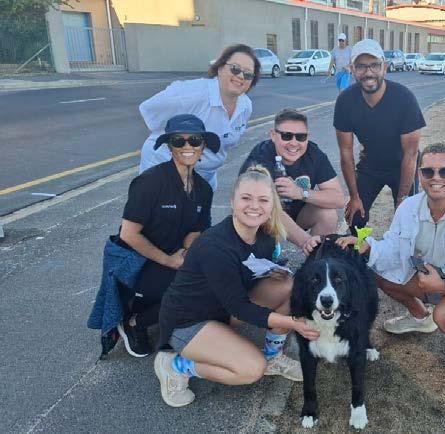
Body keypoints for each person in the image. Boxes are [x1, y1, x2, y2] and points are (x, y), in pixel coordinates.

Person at [154, 166, 321, 408]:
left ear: (272, 206)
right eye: (246, 198)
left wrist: (268, 272)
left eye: (263, 200)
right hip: (188, 321)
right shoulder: (215, 246)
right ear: (232, 201)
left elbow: (246, 275)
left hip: (222, 310)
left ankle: (273, 356)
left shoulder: (265, 236)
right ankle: (177, 366)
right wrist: (294, 323)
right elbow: (240, 308)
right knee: (251, 369)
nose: (254, 206)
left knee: (288, 284)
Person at [337, 143, 445, 379]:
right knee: (373, 271)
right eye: (428, 171)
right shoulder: (408, 207)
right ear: (419, 174)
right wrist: (368, 247)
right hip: (427, 279)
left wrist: (444, 285)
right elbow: (394, 246)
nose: (436, 178)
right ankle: (420, 317)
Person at [95, 114, 218, 358]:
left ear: (203, 146)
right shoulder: (149, 183)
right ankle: (134, 322)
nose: (187, 146)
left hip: (174, 256)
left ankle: (173, 316)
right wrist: (170, 261)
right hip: (137, 262)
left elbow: (196, 230)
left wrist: (187, 255)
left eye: (194, 140)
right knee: (194, 288)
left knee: (216, 277)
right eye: (178, 141)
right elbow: (129, 234)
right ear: (169, 147)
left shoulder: (204, 189)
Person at [334, 39, 426, 233]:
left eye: (374, 65)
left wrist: (402, 200)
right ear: (352, 69)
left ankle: (403, 251)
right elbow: (345, 153)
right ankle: (358, 249)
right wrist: (354, 196)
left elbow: (410, 154)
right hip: (370, 165)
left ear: (384, 67)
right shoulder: (345, 101)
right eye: (361, 66)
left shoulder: (404, 99)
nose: (368, 72)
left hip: (401, 165)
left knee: (406, 220)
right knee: (355, 218)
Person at [138, 44, 258, 191]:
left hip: (204, 179)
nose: (240, 76)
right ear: (220, 68)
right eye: (235, 68)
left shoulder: (245, 106)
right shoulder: (191, 94)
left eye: (248, 74)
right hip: (165, 171)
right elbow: (150, 111)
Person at [239, 109, 344, 236]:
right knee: (253, 218)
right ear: (273, 135)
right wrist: (305, 241)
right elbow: (249, 205)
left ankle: (319, 249)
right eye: (286, 136)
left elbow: (338, 199)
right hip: (266, 217)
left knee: (328, 214)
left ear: (307, 137)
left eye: (301, 137)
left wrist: (300, 193)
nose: (294, 143)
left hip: (299, 215)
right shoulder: (260, 158)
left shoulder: (313, 154)